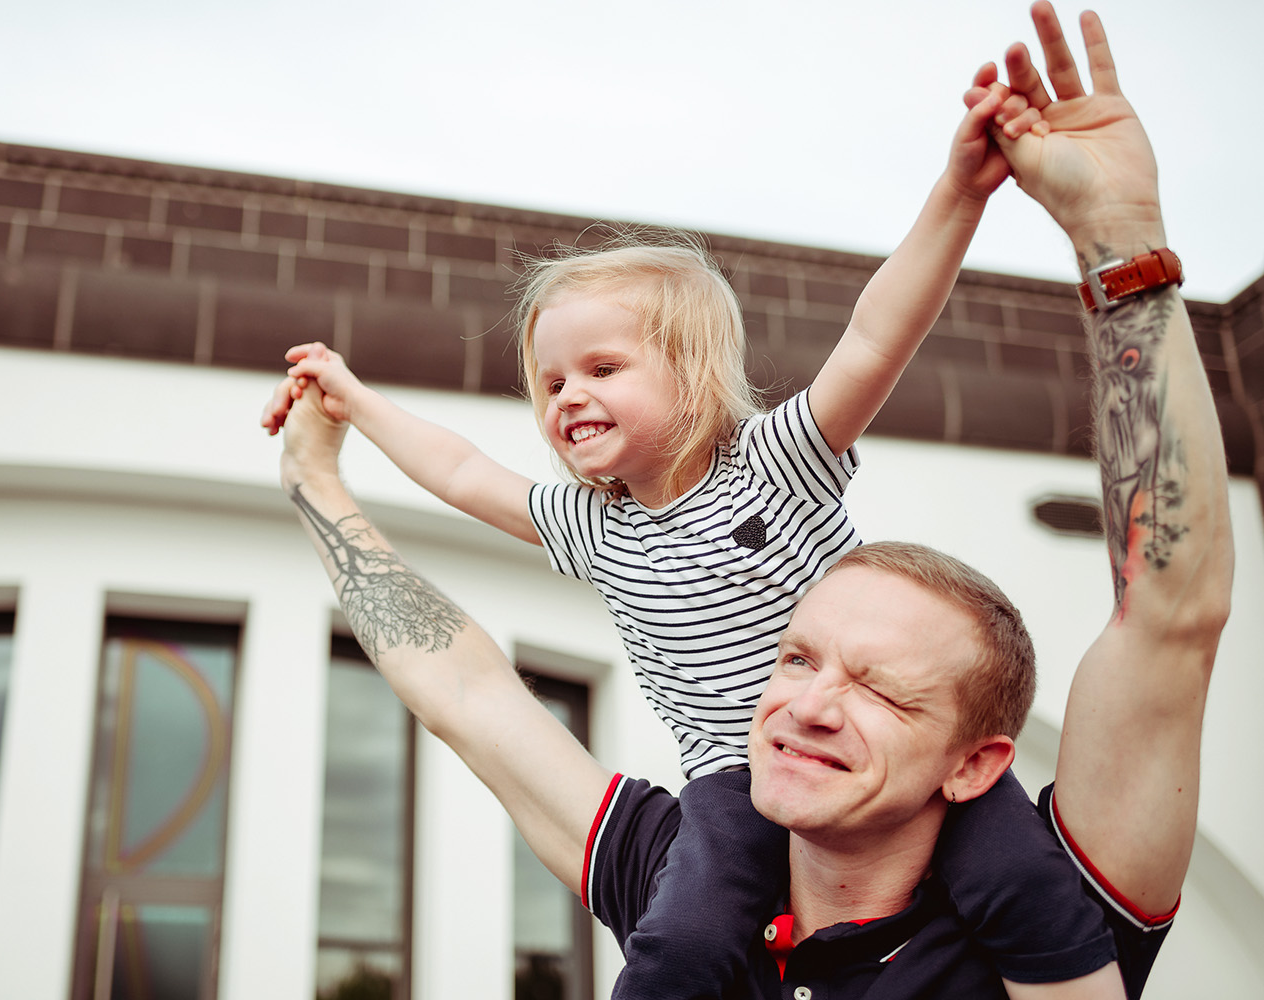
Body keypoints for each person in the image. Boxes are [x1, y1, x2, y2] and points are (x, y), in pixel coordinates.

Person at [272, 3, 1231, 997]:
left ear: (972, 759)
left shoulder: (776, 463)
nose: (812, 700)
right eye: (796, 657)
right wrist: (329, 458)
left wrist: (1006, 208)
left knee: (1020, 891)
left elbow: (874, 340)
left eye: (881, 689)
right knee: (682, 944)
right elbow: (468, 666)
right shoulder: (670, 823)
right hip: (724, 785)